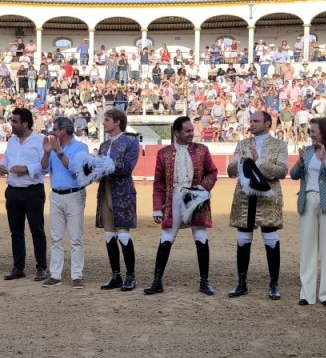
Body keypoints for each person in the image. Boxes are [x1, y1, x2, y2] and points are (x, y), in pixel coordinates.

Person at [145, 116, 218, 295]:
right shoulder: (164, 153)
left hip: (195, 198)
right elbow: (159, 183)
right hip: (174, 200)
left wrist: (201, 189)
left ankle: (204, 282)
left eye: (192, 130)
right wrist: (157, 207)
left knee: (201, 237)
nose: (191, 133)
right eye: (187, 131)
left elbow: (212, 172)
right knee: (166, 238)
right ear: (177, 133)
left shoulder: (202, 150)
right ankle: (157, 281)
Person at [225, 109, 289, 300]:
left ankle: (274, 284)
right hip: (245, 196)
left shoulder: (279, 145)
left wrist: (257, 161)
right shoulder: (242, 144)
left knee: (270, 238)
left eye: (256, 121)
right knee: (243, 238)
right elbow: (230, 171)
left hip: (268, 197)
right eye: (251, 121)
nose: (251, 124)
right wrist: (241, 162)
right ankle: (241, 283)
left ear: (267, 124)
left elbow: (282, 172)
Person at [290, 117, 326, 306]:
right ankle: (306, 294)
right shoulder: (307, 151)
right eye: (310, 131)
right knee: (307, 249)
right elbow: (293, 175)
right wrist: (300, 163)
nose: (311, 135)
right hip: (308, 201)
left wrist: (325, 162)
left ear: (325, 132)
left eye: (313, 131)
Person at [0, 107, 47, 281]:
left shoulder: (40, 140)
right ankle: (18, 267)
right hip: (13, 190)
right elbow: (5, 158)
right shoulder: (11, 141)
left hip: (33, 190)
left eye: (15, 121)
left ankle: (41, 267)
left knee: (37, 230)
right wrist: (0, 166)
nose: (12, 124)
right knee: (16, 231)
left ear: (25, 123)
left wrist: (26, 169)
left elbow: (45, 166)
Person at [40, 116, 89, 288]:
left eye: (55, 129)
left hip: (74, 194)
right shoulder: (52, 147)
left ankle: (77, 275)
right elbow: (44, 168)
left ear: (64, 130)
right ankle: (55, 275)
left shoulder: (81, 148)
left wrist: (59, 151)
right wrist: (47, 152)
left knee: (76, 238)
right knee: (56, 238)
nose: (52, 132)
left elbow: (75, 169)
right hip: (56, 194)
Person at [95, 108, 140, 291]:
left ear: (117, 122)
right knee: (109, 235)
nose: (103, 123)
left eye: (107, 120)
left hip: (122, 192)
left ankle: (131, 276)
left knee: (123, 234)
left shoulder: (131, 143)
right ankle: (116, 276)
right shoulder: (104, 145)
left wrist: (105, 164)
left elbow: (127, 168)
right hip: (105, 191)